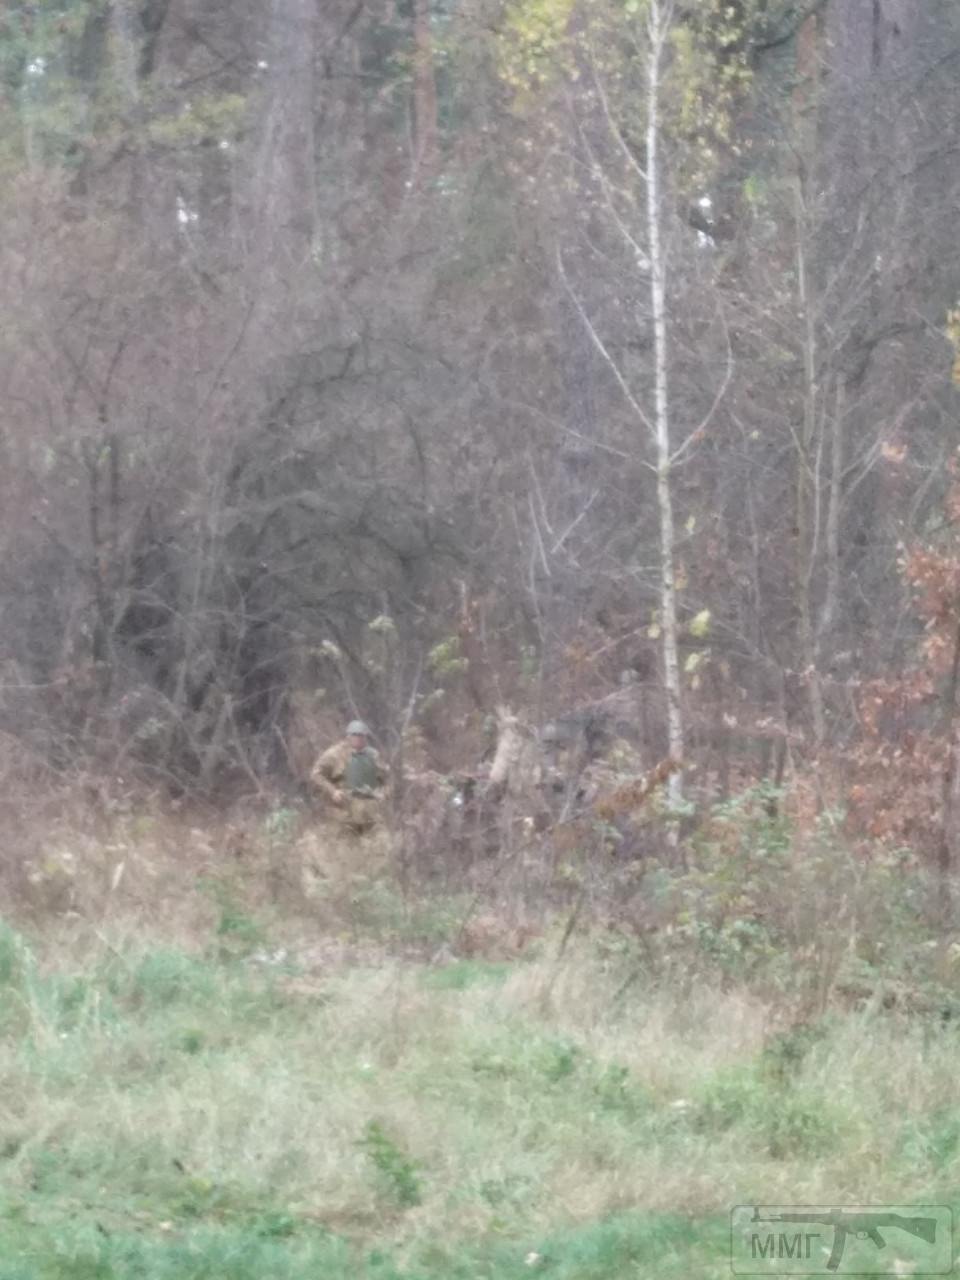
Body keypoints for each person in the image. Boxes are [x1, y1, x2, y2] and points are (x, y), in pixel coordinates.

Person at [310, 720, 390, 834]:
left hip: (370, 811)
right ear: (348, 736)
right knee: (345, 846)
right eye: (355, 734)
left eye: (362, 735)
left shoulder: (373, 754)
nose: (359, 738)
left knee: (375, 845)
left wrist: (384, 794)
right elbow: (316, 774)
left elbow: (386, 778)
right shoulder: (334, 754)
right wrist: (333, 791)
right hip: (344, 811)